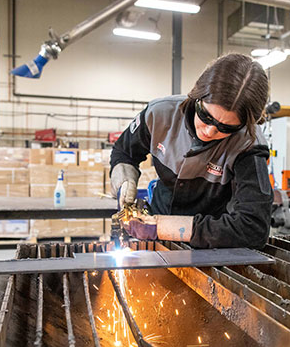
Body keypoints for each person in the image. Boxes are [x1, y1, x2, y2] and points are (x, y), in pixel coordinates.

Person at [110, 53, 273, 249]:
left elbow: (253, 229)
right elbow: (124, 152)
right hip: (156, 233)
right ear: (197, 95)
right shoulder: (159, 114)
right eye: (206, 116)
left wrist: (162, 228)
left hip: (211, 244)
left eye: (227, 128)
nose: (210, 131)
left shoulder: (249, 145)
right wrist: (125, 179)